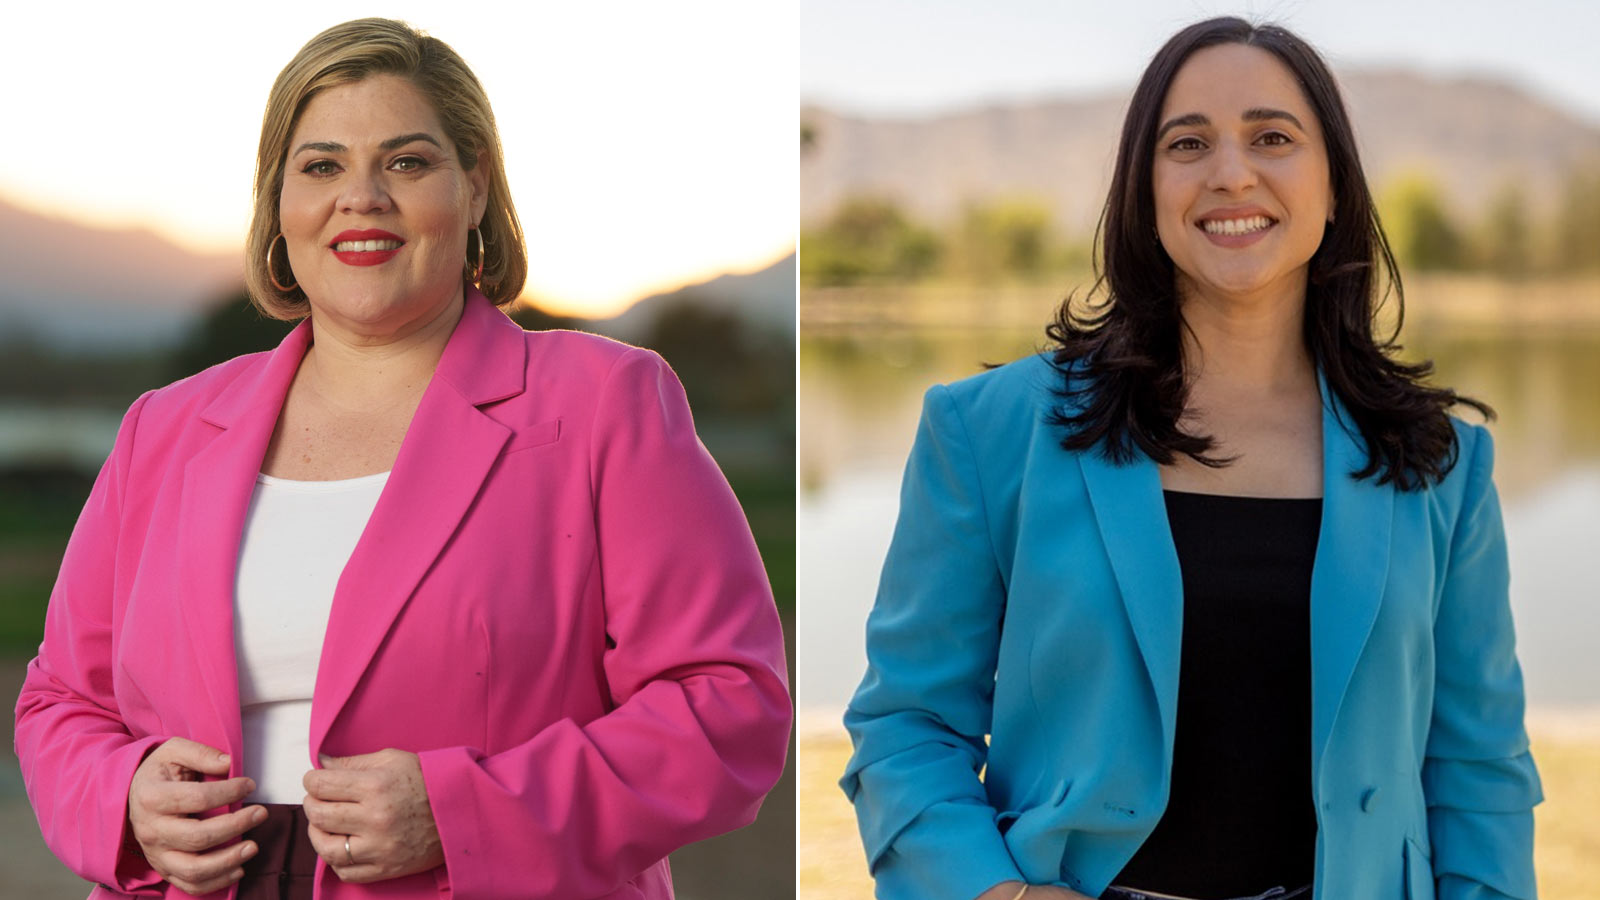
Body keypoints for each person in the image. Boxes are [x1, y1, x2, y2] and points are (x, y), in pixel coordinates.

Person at [14, 18, 791, 900]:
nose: (362, 196)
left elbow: (730, 706)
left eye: (408, 162)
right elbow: (62, 703)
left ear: (475, 187)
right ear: (278, 202)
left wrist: (467, 811)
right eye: (321, 166)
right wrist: (123, 800)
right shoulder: (165, 427)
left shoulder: (605, 404)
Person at [841, 17, 1540, 900]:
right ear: (1146, 190)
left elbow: (1479, 773)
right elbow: (907, 723)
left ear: (1333, 191)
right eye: (1189, 143)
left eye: (1273, 137)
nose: (1231, 173)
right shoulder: (987, 431)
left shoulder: (1442, 466)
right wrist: (999, 894)